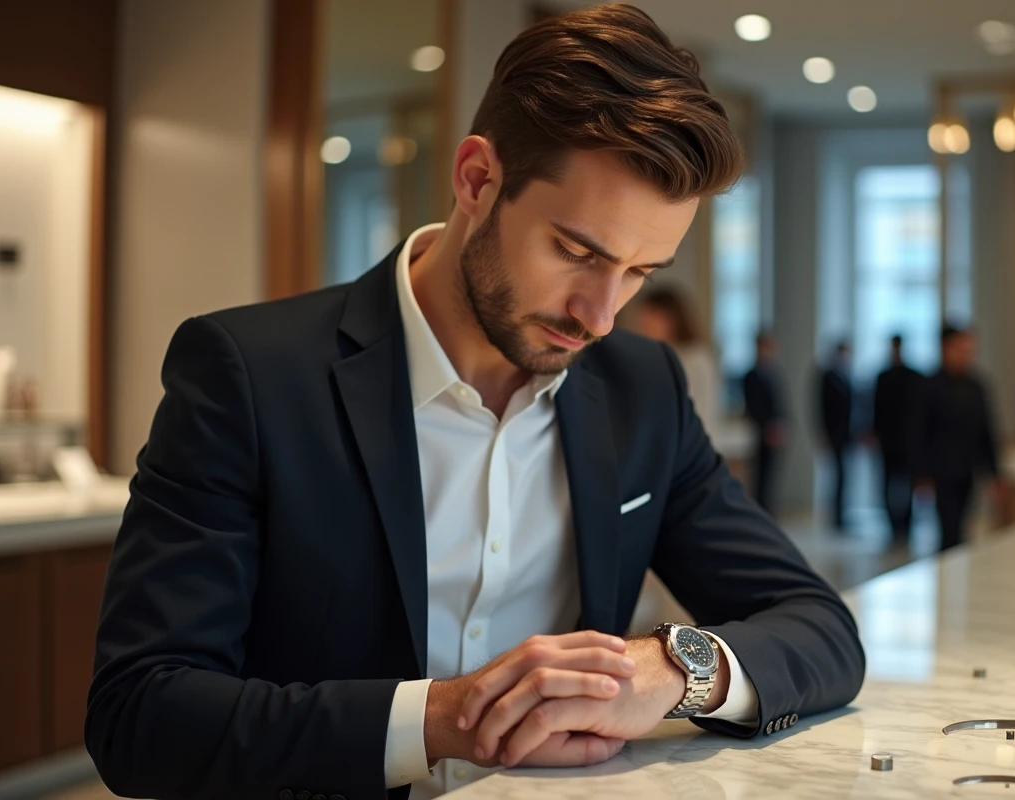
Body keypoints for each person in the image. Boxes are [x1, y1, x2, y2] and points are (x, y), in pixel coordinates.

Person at [85, 7, 865, 800]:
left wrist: (666, 670)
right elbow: (140, 713)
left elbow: (822, 628)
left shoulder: (643, 390)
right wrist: (448, 718)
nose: (600, 316)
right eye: (577, 251)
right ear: (477, 179)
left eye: (638, 272)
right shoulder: (249, 375)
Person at [913, 325, 1006, 551]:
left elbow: (986, 432)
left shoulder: (976, 387)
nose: (966, 355)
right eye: (960, 349)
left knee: (963, 525)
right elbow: (917, 432)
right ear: (945, 349)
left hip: (967, 470)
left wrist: (994, 473)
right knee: (949, 528)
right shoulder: (929, 386)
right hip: (941, 472)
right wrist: (921, 474)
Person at [634, 286, 722, 435]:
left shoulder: (694, 358)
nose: (644, 326)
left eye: (651, 318)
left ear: (671, 319)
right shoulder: (657, 357)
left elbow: (695, 411)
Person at [871, 335, 923, 543]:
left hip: (908, 439)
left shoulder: (913, 377)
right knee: (887, 483)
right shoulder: (883, 376)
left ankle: (906, 524)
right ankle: (893, 524)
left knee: (909, 482)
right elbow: (876, 408)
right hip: (888, 440)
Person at [742, 331, 788, 515]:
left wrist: (780, 426)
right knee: (760, 477)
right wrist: (766, 428)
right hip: (760, 433)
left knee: (771, 478)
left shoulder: (774, 373)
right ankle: (759, 512)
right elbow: (753, 406)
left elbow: (780, 404)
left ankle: (769, 511)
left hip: (774, 433)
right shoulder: (751, 375)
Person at [815, 341, 853, 530]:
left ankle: (842, 514)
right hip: (834, 434)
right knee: (836, 476)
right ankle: (835, 515)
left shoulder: (847, 376)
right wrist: (823, 434)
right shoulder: (828, 377)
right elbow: (821, 408)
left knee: (844, 477)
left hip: (846, 435)